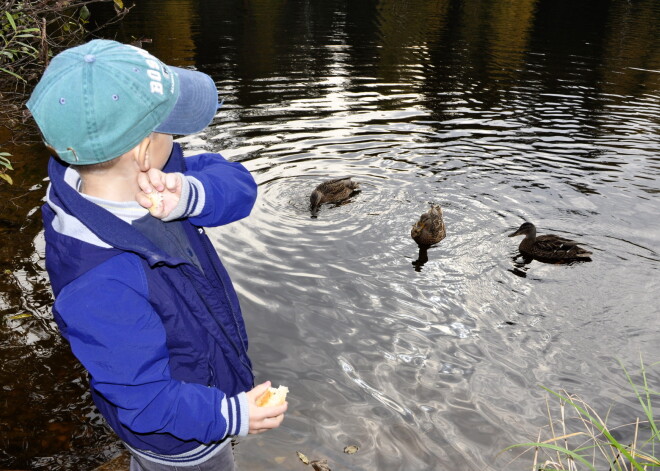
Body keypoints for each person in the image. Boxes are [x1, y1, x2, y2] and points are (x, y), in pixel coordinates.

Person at [26, 39, 286, 470]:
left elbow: (238, 185)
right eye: (171, 127)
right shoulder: (100, 284)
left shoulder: (144, 179)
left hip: (201, 390)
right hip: (178, 441)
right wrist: (229, 415)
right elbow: (144, 400)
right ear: (144, 149)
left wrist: (191, 194)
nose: (180, 137)